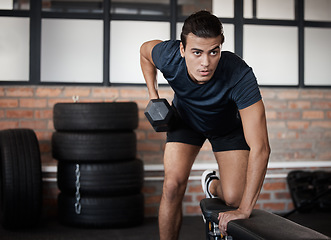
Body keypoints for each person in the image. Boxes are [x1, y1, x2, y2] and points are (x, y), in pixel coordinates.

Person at [140, 10, 270, 240]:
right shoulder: (169, 56)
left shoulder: (239, 74)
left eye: (214, 52)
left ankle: (211, 184)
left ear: (221, 47)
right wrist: (153, 95)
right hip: (185, 122)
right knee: (171, 187)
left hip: (226, 129)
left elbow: (261, 147)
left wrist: (244, 210)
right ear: (182, 49)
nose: (205, 63)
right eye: (197, 52)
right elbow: (144, 52)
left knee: (233, 198)